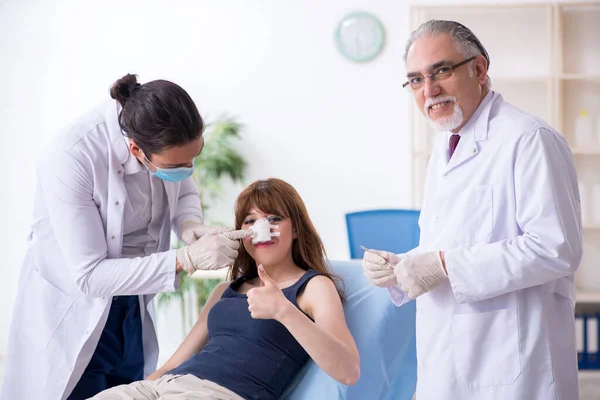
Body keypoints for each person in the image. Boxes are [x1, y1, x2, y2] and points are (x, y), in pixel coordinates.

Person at [362, 20, 582, 399]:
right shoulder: (444, 148)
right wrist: (401, 265)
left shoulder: (528, 139)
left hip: (514, 370)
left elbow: (555, 248)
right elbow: (452, 242)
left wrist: (443, 266)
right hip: (446, 365)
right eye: (415, 80)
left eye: (441, 71)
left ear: (479, 69)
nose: (429, 90)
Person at [2, 74, 245, 400]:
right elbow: (90, 276)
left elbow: (182, 186)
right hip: (76, 308)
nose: (188, 169)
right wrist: (185, 258)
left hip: (131, 302)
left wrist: (190, 225)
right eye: (177, 164)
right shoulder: (71, 156)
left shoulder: (166, 144)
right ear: (135, 149)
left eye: (194, 159)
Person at [90, 178, 360, 400]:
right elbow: (173, 364)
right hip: (166, 387)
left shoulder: (313, 287)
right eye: (250, 221)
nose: (260, 227)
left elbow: (348, 371)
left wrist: (283, 310)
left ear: (297, 230)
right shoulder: (224, 290)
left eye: (274, 218)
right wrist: (141, 390)